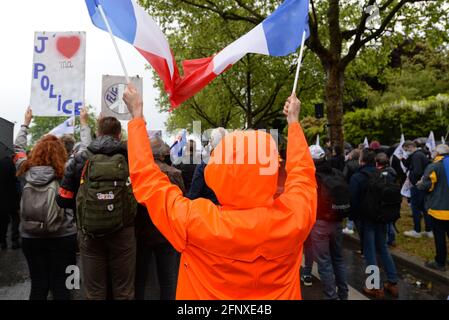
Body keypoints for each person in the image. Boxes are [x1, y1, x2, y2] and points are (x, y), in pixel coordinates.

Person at [123, 85, 317, 299]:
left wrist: (136, 117)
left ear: (218, 170)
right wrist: (294, 124)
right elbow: (304, 175)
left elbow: (147, 180)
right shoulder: (294, 218)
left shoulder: (195, 221)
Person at [56, 116, 136, 300]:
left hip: (89, 232)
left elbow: (63, 199)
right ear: (119, 134)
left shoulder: (80, 158)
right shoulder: (130, 157)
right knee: (124, 290)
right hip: (124, 232)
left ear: (97, 133)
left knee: (94, 291)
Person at [14, 107, 77, 300]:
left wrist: (26, 123)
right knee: (62, 285)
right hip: (63, 235)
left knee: (38, 285)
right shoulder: (66, 171)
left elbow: (18, 147)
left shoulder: (24, 169)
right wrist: (83, 124)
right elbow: (84, 150)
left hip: (30, 236)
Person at [135, 135, 185, 300]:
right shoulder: (175, 174)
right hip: (167, 233)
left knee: (140, 278)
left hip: (142, 232)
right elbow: (181, 202)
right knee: (168, 280)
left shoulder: (141, 174)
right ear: (164, 154)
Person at [302, 145, 349, 300]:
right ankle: (343, 294)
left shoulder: (311, 176)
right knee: (338, 259)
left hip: (319, 222)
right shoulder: (336, 172)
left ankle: (331, 296)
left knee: (324, 262)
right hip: (337, 221)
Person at [352, 149, 399, 299]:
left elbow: (353, 200)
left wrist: (352, 218)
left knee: (370, 252)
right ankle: (392, 282)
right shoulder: (382, 174)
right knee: (383, 249)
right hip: (382, 217)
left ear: (362, 160)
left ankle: (374, 286)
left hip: (366, 220)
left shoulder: (358, 177)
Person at [417, 144, 449, 271]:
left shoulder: (434, 166)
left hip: (439, 208)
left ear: (438, 153)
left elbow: (427, 186)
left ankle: (440, 262)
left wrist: (420, 183)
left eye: (434, 151)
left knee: (440, 236)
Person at [187, 127, 227, 204]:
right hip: (232, 210)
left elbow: (194, 194)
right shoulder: (237, 163)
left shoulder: (204, 165)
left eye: (211, 139)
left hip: (210, 210)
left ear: (212, 142)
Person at [401, 140, 432, 238]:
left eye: (406, 149)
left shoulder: (416, 156)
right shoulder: (420, 154)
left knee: (415, 208)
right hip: (423, 185)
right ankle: (428, 230)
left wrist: (412, 179)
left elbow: (417, 171)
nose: (406, 151)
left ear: (410, 146)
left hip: (417, 186)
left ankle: (417, 230)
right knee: (424, 208)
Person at [375, 153, 398, 247]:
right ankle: (392, 239)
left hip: (385, 199)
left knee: (386, 221)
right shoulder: (392, 170)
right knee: (390, 220)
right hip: (394, 198)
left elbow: (381, 186)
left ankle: (387, 241)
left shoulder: (382, 173)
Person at [0, 154, 21, 250]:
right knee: (15, 218)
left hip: (1, 199)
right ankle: (14, 241)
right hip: (12, 198)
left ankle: (3, 242)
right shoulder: (12, 167)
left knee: (2, 221)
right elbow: (16, 182)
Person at [342, 149, 360, 235]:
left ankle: (349, 226)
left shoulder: (348, 164)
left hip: (349, 187)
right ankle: (356, 225)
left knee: (350, 206)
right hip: (358, 187)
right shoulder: (360, 164)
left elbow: (344, 176)